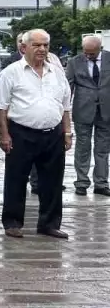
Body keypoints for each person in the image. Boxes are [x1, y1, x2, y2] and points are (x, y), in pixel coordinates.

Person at [0, 29, 72, 239]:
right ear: (23, 47)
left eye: (45, 45)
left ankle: (49, 224)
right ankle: (12, 222)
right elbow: (0, 107)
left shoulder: (56, 72)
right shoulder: (10, 72)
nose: (42, 49)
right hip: (21, 133)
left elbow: (65, 105)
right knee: (16, 179)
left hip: (53, 134)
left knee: (53, 182)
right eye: (36, 45)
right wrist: (4, 135)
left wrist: (67, 132)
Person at [66, 34, 110, 197]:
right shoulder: (74, 62)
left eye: (92, 53)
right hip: (83, 110)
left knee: (103, 149)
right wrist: (63, 110)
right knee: (82, 147)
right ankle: (82, 182)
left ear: (100, 48)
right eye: (86, 52)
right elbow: (68, 87)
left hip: (106, 111)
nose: (88, 55)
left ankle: (101, 183)